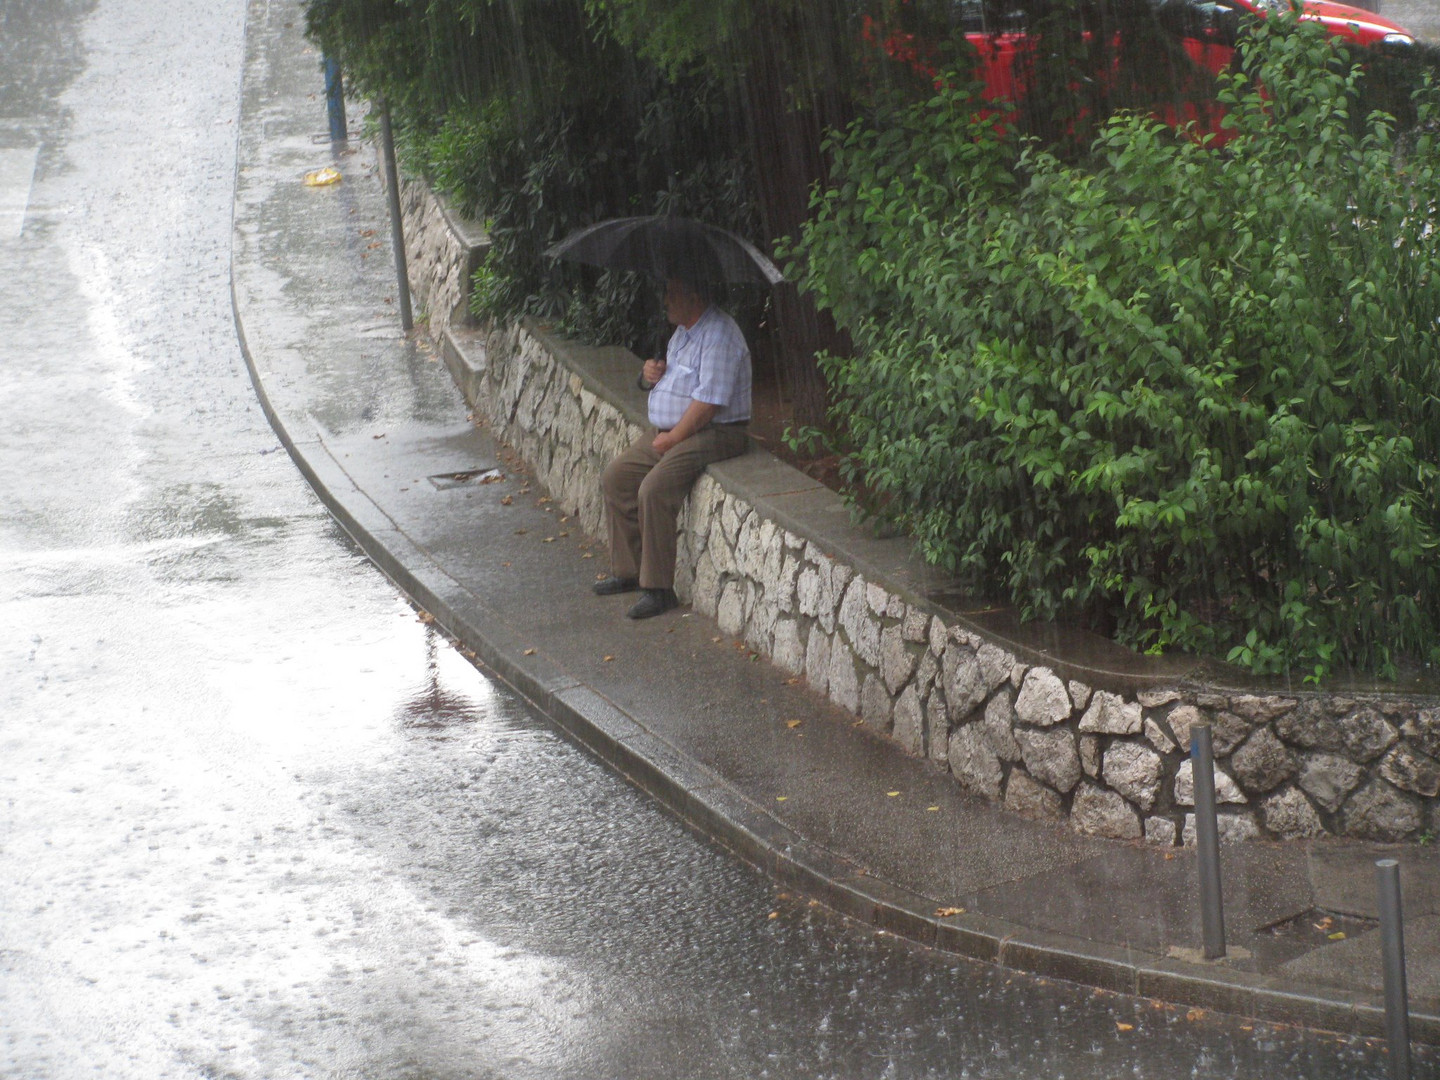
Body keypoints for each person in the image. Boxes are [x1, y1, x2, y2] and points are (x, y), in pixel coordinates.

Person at [594, 275, 751, 619]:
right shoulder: (683, 333)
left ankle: (659, 589)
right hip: (674, 430)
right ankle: (628, 571)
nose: (665, 299)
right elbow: (674, 382)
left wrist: (675, 437)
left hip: (714, 432)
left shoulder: (719, 336)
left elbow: (709, 402)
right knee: (616, 477)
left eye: (671, 292)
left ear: (692, 295)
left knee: (653, 488)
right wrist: (648, 375)